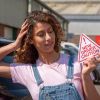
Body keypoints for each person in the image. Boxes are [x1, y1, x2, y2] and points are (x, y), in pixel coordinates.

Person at [0, 10, 100, 100]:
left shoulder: (77, 63)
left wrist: (86, 76)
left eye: (50, 31)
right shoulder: (27, 70)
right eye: (41, 34)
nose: (48, 37)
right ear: (31, 40)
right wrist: (14, 45)